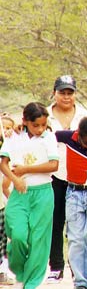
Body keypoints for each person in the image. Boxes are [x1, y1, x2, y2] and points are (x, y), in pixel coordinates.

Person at [0, 102, 59, 289]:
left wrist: (26, 169)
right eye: (36, 125)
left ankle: (31, 284)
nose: (40, 129)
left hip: (43, 193)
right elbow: (4, 163)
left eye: (43, 124)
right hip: (20, 193)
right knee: (17, 234)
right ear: (25, 121)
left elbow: (53, 166)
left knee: (38, 240)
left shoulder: (49, 137)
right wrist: (14, 179)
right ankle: (19, 268)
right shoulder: (14, 136)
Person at [46, 75, 87, 284]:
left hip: (78, 177)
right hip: (51, 176)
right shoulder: (44, 115)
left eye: (70, 92)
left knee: (77, 224)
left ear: (75, 94)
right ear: (54, 93)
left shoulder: (84, 116)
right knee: (55, 222)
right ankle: (55, 266)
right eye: (62, 92)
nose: (66, 96)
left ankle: (77, 267)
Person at [55, 115, 87, 289]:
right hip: (73, 193)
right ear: (78, 136)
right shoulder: (66, 137)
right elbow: (46, 135)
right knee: (76, 238)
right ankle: (80, 281)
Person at [0, 114, 15, 286]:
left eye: (9, 127)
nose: (6, 131)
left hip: (4, 201)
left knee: (3, 237)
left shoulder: (12, 149)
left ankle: (2, 271)